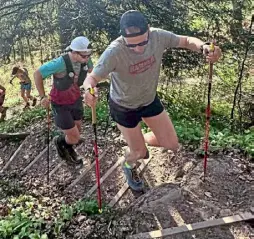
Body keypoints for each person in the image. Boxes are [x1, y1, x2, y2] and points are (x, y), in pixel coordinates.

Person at [83, 10, 222, 191]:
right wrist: (89, 91)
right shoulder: (114, 52)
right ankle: (129, 164)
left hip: (149, 100)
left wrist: (204, 46)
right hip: (124, 107)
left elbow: (186, 41)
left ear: (148, 29)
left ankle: (136, 141)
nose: (138, 49)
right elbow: (91, 78)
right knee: (138, 153)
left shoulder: (158, 36)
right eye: (132, 46)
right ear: (122, 37)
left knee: (171, 144)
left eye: (142, 42)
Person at [34, 36, 93, 165]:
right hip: (60, 104)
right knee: (75, 136)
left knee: (77, 130)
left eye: (89, 55)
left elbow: (91, 73)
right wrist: (42, 96)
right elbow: (37, 73)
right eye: (84, 56)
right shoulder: (60, 63)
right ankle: (60, 142)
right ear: (74, 52)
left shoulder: (86, 59)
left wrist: (91, 90)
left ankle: (69, 144)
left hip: (75, 99)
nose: (87, 59)